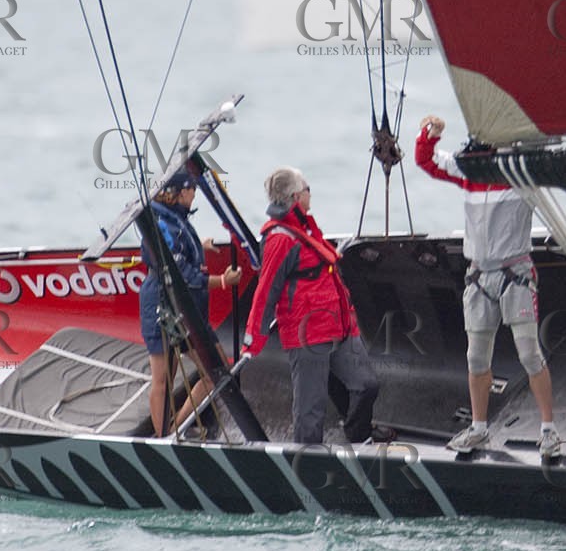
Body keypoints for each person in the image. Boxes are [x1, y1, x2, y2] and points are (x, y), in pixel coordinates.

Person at [415, 115, 559, 457]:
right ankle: (478, 429)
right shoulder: (469, 171)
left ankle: (549, 431)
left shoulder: (522, 173)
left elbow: (549, 152)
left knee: (529, 353)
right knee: (476, 358)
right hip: (480, 276)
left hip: (516, 274)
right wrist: (429, 135)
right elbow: (427, 160)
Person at [242, 167, 390, 445]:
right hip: (306, 334)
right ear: (297, 196)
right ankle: (306, 465)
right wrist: (253, 340)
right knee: (310, 411)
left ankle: (358, 436)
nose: (311, 193)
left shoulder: (305, 229)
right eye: (308, 188)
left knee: (367, 385)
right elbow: (266, 291)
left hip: (338, 326)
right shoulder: (279, 239)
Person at [139, 172, 240, 436]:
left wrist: (199, 248)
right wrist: (222, 281)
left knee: (216, 371)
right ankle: (165, 438)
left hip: (187, 308)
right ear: (177, 192)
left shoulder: (175, 217)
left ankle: (175, 428)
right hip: (163, 304)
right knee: (163, 380)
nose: (194, 194)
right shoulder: (161, 222)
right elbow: (178, 271)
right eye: (191, 189)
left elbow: (179, 254)